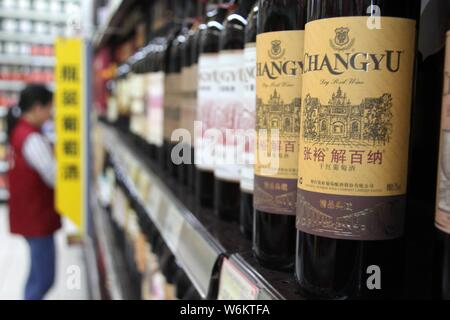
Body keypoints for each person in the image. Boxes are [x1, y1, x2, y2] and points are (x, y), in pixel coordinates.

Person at [7, 84, 60, 300]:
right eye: (49, 108)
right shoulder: (31, 138)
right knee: (45, 278)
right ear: (38, 108)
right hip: (36, 218)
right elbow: (53, 175)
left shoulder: (20, 131)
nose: (50, 114)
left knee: (36, 276)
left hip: (29, 215)